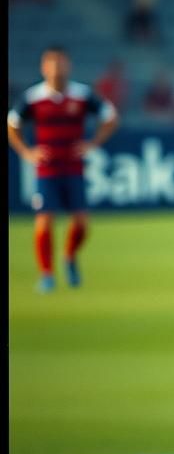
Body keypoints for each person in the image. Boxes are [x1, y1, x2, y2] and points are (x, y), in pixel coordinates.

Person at [7, 46, 119, 293]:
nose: (56, 68)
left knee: (81, 223)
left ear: (68, 65)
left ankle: (69, 256)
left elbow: (110, 116)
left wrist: (93, 143)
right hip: (46, 169)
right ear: (43, 67)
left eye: (60, 63)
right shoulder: (33, 98)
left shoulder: (81, 95)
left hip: (73, 166)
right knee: (44, 220)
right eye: (51, 63)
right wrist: (26, 151)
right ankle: (46, 274)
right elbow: (12, 125)